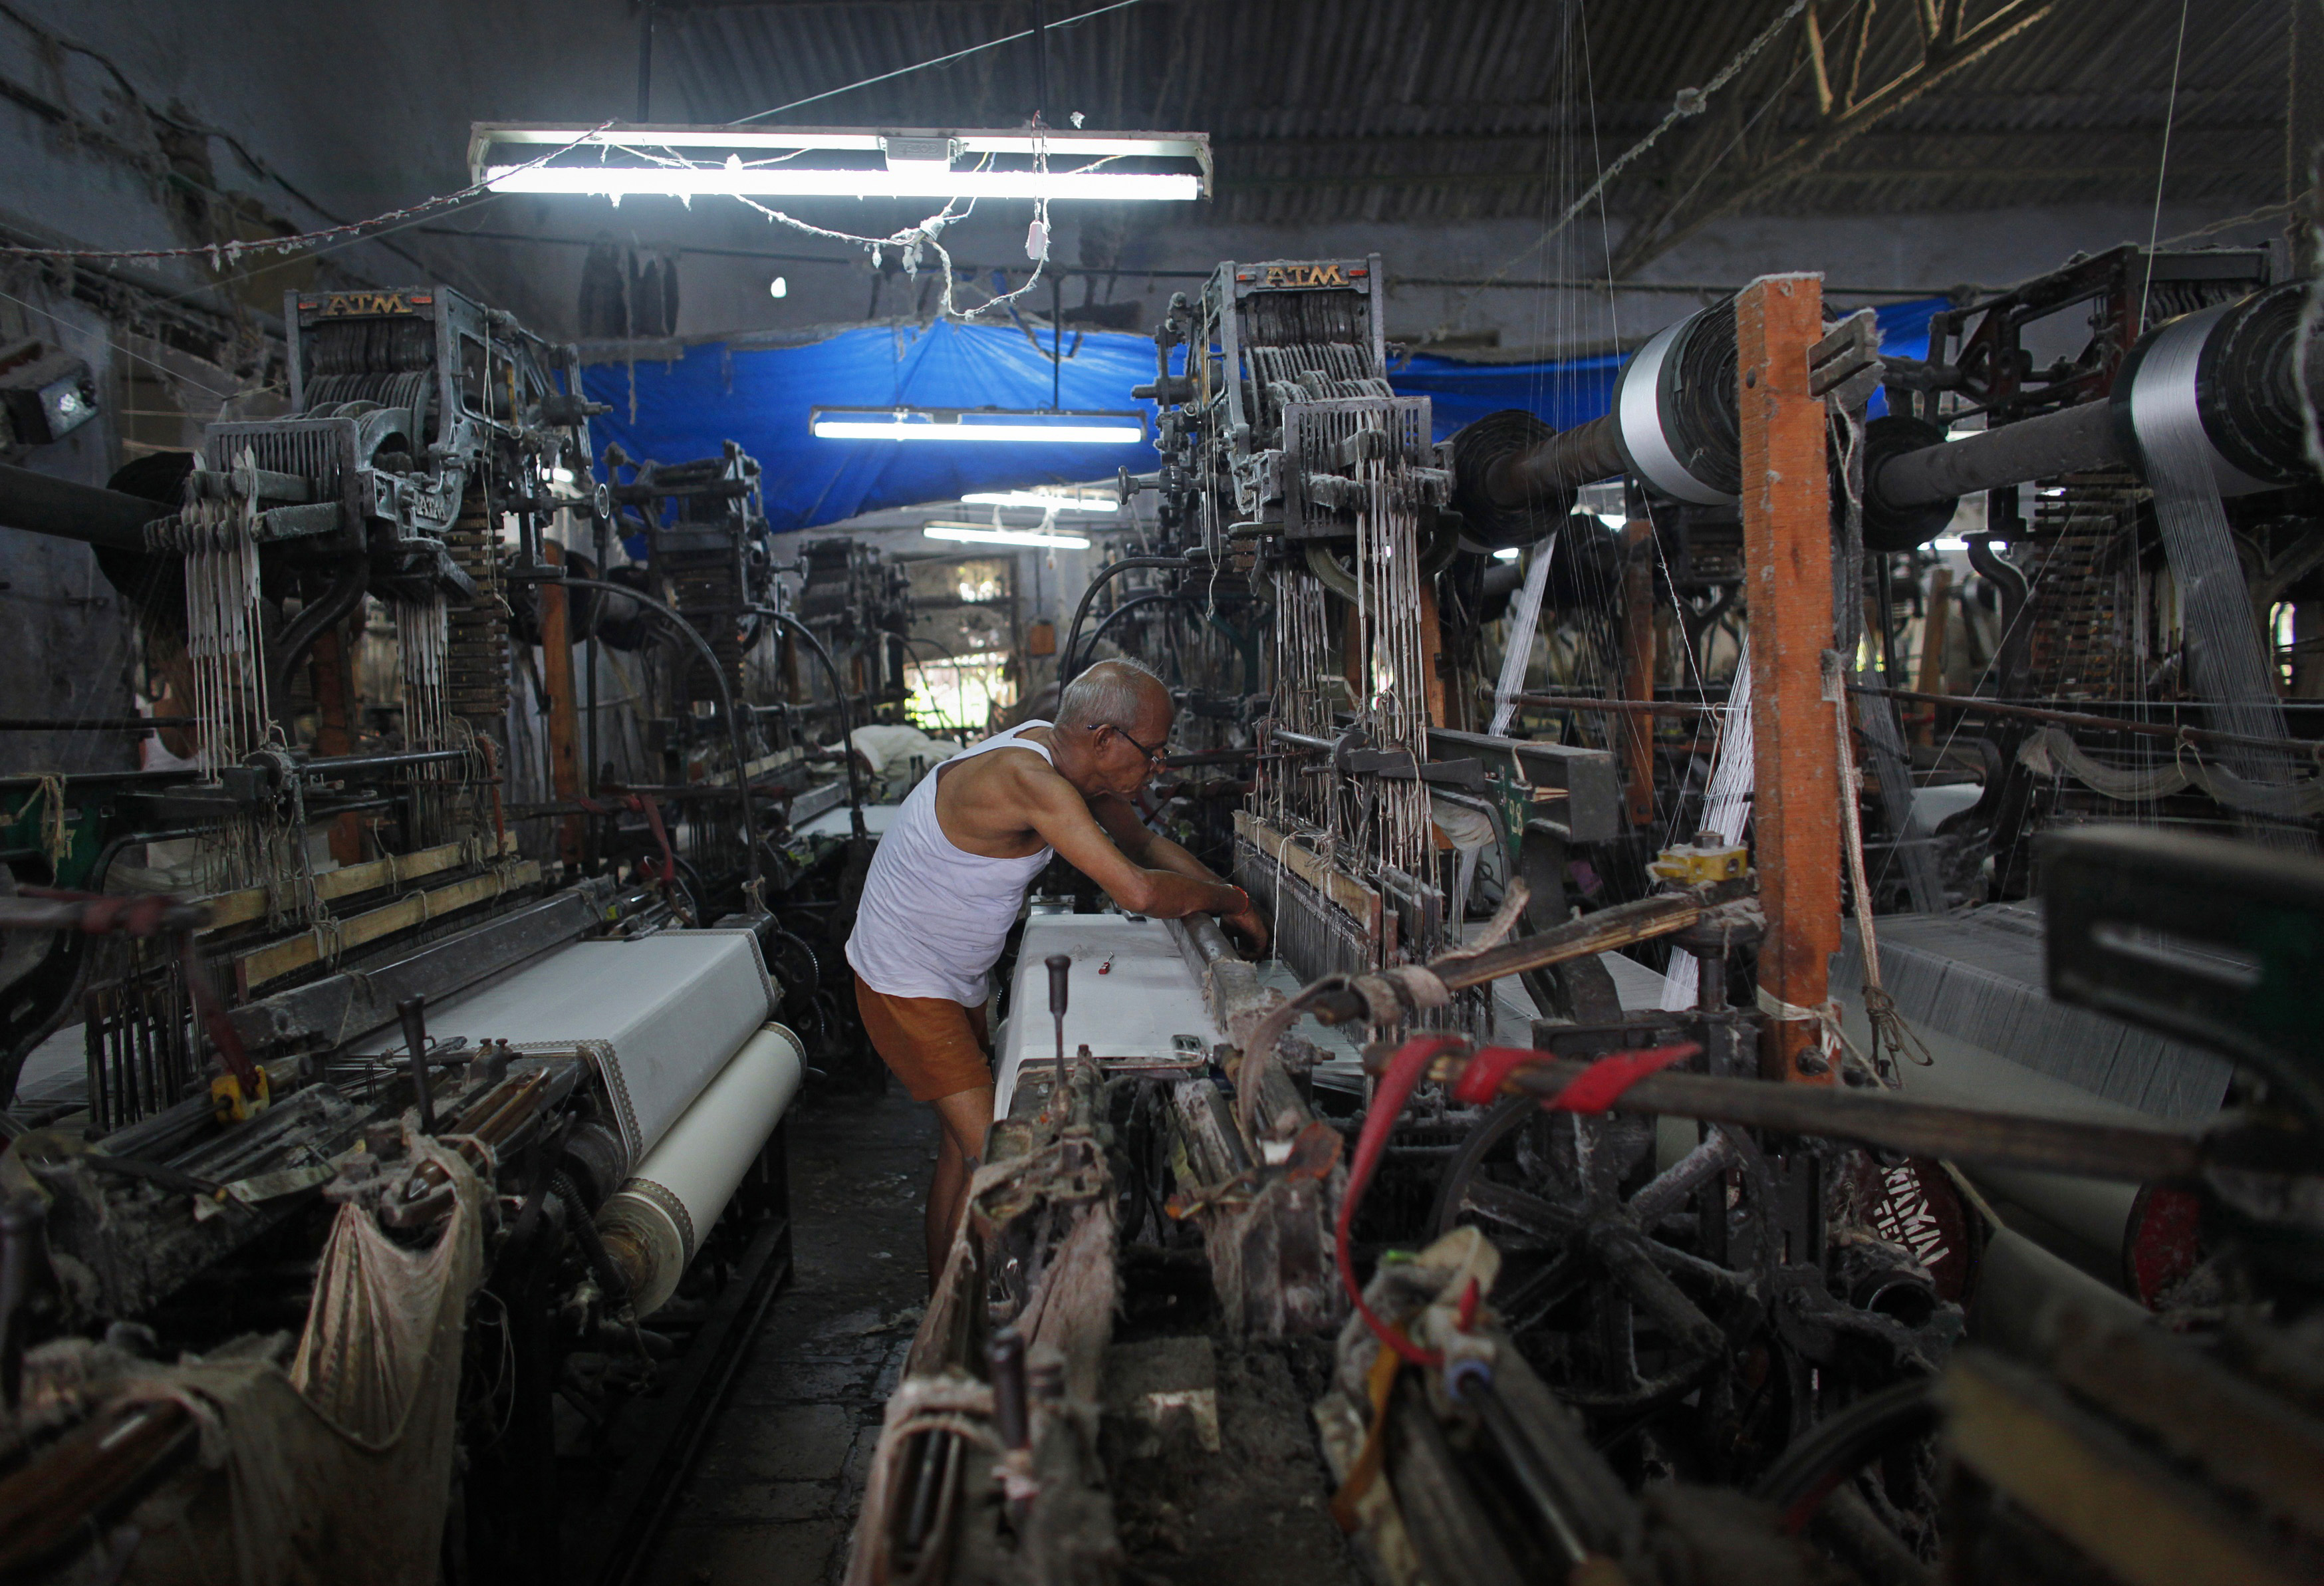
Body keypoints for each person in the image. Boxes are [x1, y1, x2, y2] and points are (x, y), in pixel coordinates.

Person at [846, 658, 1268, 1285]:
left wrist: (1232, 897)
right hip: (905, 980)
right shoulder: (1029, 777)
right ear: (1103, 739)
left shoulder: (1068, 756)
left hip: (950, 974)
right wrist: (1230, 903)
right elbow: (1138, 891)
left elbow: (1145, 848)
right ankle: (971, 1338)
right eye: (1152, 752)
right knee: (993, 1161)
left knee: (961, 1156)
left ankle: (944, 1308)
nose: (1157, 767)